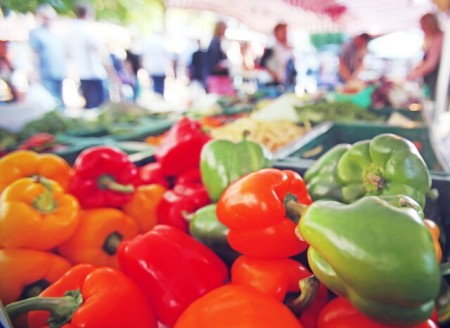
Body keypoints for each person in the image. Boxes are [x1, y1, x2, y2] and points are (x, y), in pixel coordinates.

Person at [66, 2, 119, 109]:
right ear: (88, 13)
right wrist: (114, 76)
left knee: (90, 108)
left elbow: (68, 54)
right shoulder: (89, 29)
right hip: (96, 75)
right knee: (100, 110)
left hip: (82, 75)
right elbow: (102, 55)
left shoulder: (71, 32)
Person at [29, 4, 66, 108]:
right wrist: (34, 73)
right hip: (45, 74)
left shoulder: (56, 34)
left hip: (59, 73)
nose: (48, 20)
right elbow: (34, 54)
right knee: (52, 103)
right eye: (45, 17)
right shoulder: (36, 33)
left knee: (60, 102)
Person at [407, 13, 444, 100]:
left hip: (436, 80)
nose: (421, 28)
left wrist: (414, 74)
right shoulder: (431, 38)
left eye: (422, 26)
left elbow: (432, 63)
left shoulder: (439, 38)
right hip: (431, 80)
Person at [260, 22, 296, 89]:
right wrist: (274, 74)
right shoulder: (272, 48)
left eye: (286, 31)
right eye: (283, 31)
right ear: (276, 33)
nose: (285, 33)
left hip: (289, 83)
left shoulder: (290, 47)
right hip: (276, 85)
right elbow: (263, 63)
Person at [205, 21, 234, 95]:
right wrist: (224, 65)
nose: (224, 31)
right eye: (223, 29)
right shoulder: (215, 42)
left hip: (219, 77)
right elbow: (214, 64)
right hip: (218, 79)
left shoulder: (219, 41)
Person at [141, 32, 171, 96]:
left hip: (153, 67)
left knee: (155, 85)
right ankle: (159, 96)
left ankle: (157, 97)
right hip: (161, 67)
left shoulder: (150, 42)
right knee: (159, 85)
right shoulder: (163, 41)